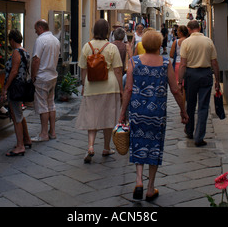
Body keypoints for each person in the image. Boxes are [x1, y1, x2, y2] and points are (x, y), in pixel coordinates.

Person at [119, 30, 188, 202]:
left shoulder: (133, 62)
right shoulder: (166, 63)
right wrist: (183, 110)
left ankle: (138, 181)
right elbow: (175, 90)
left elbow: (127, 90)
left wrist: (122, 113)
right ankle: (150, 188)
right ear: (158, 45)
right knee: (154, 146)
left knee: (138, 142)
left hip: (137, 111)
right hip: (157, 112)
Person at [75, 19, 123, 163]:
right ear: (107, 31)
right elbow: (118, 71)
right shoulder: (111, 47)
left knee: (92, 117)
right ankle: (106, 147)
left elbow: (83, 69)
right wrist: (121, 89)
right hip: (110, 86)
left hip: (92, 86)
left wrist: (84, 84)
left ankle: (90, 146)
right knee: (108, 117)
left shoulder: (86, 46)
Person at [178, 20, 221, 147]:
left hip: (191, 75)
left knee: (190, 105)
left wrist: (180, 82)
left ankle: (189, 130)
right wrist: (217, 80)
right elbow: (214, 62)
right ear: (199, 28)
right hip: (205, 75)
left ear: (189, 29)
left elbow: (183, 64)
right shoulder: (208, 41)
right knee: (203, 107)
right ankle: (199, 137)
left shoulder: (186, 42)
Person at [1, 29, 32, 156]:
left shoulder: (16, 52)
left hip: (15, 87)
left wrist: (5, 88)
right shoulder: (26, 52)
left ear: (12, 40)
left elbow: (14, 72)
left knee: (16, 117)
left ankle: (20, 146)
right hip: (21, 86)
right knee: (19, 114)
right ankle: (26, 139)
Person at [31, 19, 60, 142]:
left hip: (42, 77)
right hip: (52, 76)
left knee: (43, 106)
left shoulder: (40, 40)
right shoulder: (55, 40)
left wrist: (33, 75)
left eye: (36, 29)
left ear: (41, 28)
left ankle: (43, 134)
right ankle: (52, 132)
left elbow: (36, 59)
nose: (35, 32)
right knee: (51, 104)